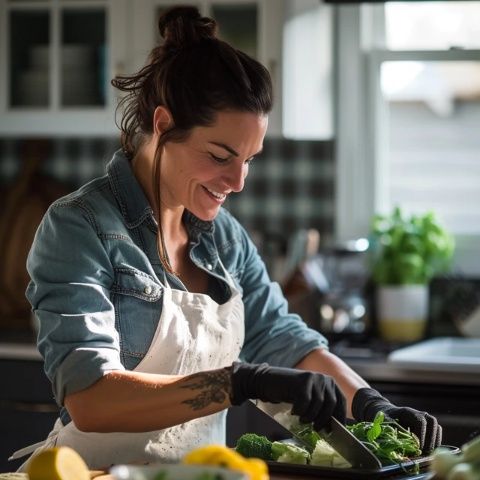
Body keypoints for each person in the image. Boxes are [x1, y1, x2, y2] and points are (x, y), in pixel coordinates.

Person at [13, 5, 441, 471]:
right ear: (162, 125)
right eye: (221, 156)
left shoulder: (224, 238)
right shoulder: (79, 227)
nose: (238, 180)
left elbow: (281, 338)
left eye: (250, 159)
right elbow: (92, 399)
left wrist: (368, 404)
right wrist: (237, 383)